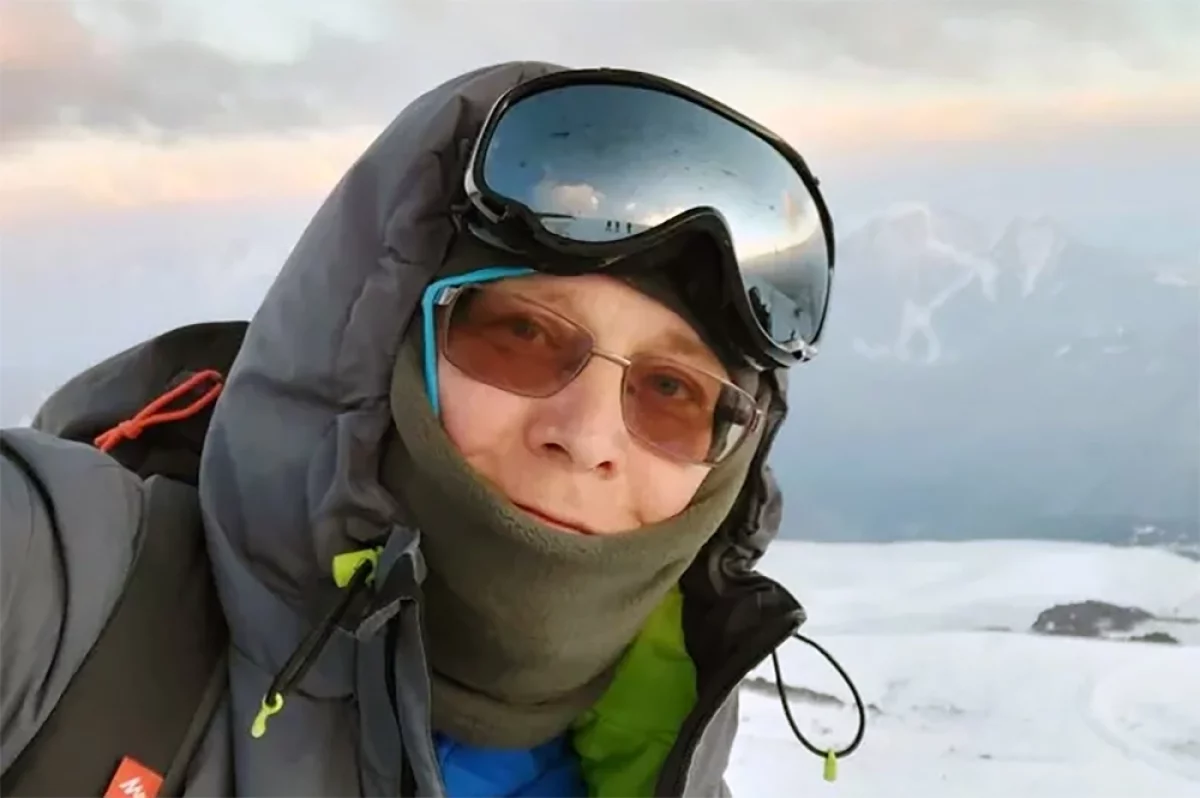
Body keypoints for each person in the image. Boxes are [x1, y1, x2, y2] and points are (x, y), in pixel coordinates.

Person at [0, 62, 863, 797]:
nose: (588, 437)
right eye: (522, 335)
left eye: (670, 390)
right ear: (375, 346)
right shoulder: (66, 602)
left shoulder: (667, 759)